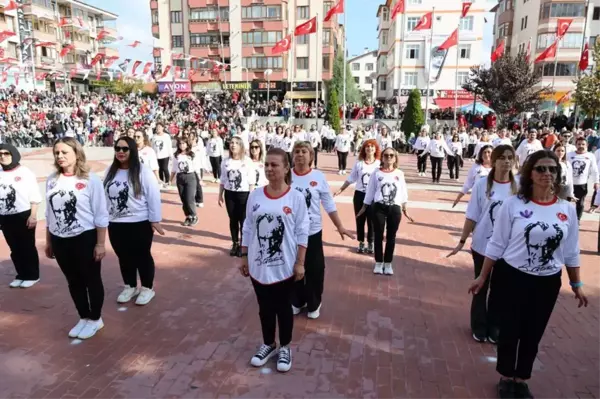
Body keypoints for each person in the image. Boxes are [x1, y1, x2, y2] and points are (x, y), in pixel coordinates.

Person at [468, 150, 588, 399]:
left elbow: (571, 250)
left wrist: (576, 283)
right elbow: (497, 244)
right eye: (541, 169)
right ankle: (506, 377)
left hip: (547, 283)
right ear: (530, 173)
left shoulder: (566, 209)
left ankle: (521, 379)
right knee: (510, 329)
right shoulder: (514, 204)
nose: (547, 174)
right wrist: (482, 276)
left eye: (552, 169)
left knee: (533, 332)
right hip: (512, 277)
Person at [239, 148, 309, 373]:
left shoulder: (295, 197)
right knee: (264, 308)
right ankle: (268, 343)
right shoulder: (255, 195)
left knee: (283, 308)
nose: (269, 169)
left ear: (286, 168)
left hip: (285, 266)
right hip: (259, 266)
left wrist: (300, 262)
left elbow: (302, 231)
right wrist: (244, 255)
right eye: (266, 164)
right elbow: (248, 225)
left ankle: (285, 346)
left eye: (274, 165)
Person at [447, 145, 518, 343]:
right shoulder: (482, 185)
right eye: (501, 157)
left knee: (500, 288)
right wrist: (462, 240)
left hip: (509, 248)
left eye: (509, 158)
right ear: (493, 161)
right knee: (481, 284)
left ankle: (495, 325)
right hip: (482, 245)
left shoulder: (519, 186)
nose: (506, 161)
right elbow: (473, 215)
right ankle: (479, 325)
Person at [45, 137, 109, 340]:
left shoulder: (90, 179)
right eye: (57, 153)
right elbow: (49, 213)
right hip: (59, 238)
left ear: (76, 153)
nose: (60, 156)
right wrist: (49, 241)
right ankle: (83, 317)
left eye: (64, 152)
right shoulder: (52, 179)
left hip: (85, 237)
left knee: (91, 279)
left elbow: (100, 213)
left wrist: (100, 243)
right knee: (73, 281)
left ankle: (96, 318)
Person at [290, 141, 354, 319]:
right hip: (290, 232)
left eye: (304, 151)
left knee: (315, 269)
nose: (300, 154)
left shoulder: (318, 177)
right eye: (297, 151)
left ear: (311, 156)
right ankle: (296, 300)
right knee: (291, 267)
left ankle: (313, 303)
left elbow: (328, 203)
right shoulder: (286, 176)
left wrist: (339, 225)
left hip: (312, 231)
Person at [104, 137, 164, 306]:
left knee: (142, 256)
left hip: (139, 222)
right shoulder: (111, 170)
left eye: (125, 149)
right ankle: (130, 285)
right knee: (123, 256)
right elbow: (105, 196)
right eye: (117, 148)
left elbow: (153, 196)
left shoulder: (142, 171)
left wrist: (155, 220)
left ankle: (147, 288)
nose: (120, 152)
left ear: (132, 150)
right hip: (115, 222)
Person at [357, 148, 413, 275]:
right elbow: (370, 191)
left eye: (391, 155)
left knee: (391, 236)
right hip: (378, 207)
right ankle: (378, 262)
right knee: (378, 235)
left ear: (395, 158)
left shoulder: (399, 173)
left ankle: (388, 263)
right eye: (386, 155)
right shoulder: (376, 173)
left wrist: (405, 208)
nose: (389, 157)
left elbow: (403, 191)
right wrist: (364, 207)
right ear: (382, 158)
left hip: (394, 207)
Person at [0, 143, 42, 288]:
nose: (3, 156)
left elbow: (34, 195)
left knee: (27, 247)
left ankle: (32, 275)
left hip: (23, 214)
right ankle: (21, 274)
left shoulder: (25, 172)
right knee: (14, 248)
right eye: (0, 154)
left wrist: (33, 215)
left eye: (6, 153)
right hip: (5, 216)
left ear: (13, 154)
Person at [334, 139, 381, 254]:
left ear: (375, 149)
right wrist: (341, 189)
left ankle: (371, 242)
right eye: (367, 147)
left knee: (372, 220)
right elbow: (351, 178)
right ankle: (361, 242)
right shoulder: (359, 163)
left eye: (372, 147)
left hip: (373, 196)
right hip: (360, 194)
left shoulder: (379, 164)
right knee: (360, 219)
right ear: (364, 149)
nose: (369, 149)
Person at [219, 136, 255, 257]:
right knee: (233, 219)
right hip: (230, 194)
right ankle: (235, 243)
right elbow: (223, 179)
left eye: (236, 143)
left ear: (241, 146)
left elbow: (251, 181)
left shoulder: (247, 161)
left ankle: (243, 245)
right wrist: (220, 195)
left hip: (244, 194)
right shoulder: (225, 161)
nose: (233, 145)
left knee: (244, 221)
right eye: (231, 143)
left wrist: (251, 196)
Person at [567, 136, 599, 221]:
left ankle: (577, 220)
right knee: (566, 203)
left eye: (583, 144)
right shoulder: (569, 155)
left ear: (587, 145)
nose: (581, 146)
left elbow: (594, 170)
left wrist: (596, 182)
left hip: (582, 184)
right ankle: (565, 219)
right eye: (579, 144)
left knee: (580, 204)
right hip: (569, 184)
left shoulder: (590, 156)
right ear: (576, 145)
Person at [170, 138, 200, 226]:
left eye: (184, 143)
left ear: (187, 144)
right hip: (180, 177)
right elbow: (174, 168)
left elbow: (196, 167)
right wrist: (170, 180)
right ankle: (188, 216)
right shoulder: (176, 155)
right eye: (180, 144)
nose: (182, 145)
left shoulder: (191, 154)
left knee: (189, 198)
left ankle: (194, 216)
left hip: (190, 177)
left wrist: (200, 179)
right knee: (183, 199)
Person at [152, 123, 173, 187]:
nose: (158, 128)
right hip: (157, 156)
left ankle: (167, 181)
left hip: (165, 155)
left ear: (163, 128)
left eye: (159, 127)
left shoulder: (166, 136)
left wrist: (171, 155)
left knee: (165, 168)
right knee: (159, 169)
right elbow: (153, 146)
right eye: (157, 127)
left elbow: (169, 146)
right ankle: (161, 182)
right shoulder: (154, 136)